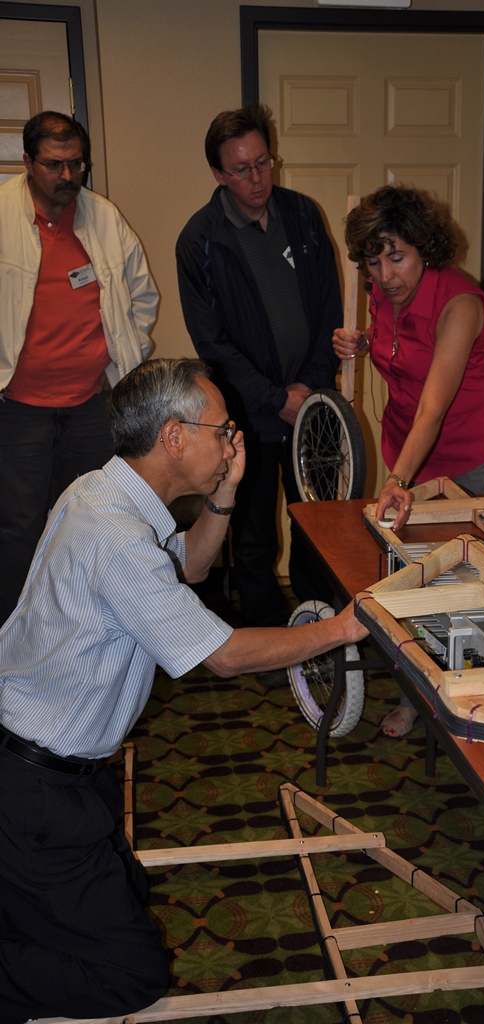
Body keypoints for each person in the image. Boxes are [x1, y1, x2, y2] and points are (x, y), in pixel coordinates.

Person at [0, 357, 366, 1024]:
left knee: (125, 893)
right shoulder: (115, 536)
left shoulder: (101, 495)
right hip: (33, 791)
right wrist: (342, 630)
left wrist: (224, 494)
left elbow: (189, 565)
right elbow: (223, 657)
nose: (233, 441)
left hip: (57, 775)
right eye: (222, 431)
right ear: (173, 436)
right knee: (128, 976)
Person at [333, 185, 484, 737]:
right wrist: (361, 345)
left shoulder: (459, 301)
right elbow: (397, 352)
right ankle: (416, 695)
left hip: (473, 455)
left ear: (425, 249)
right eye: (374, 259)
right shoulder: (378, 294)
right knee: (413, 583)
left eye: (398, 256)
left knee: (477, 582)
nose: (387, 274)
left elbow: (435, 406)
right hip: (407, 449)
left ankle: (482, 700)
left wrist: (396, 478)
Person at [176, 103, 341, 649]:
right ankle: (268, 640)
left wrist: (309, 390)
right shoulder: (199, 240)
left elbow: (328, 309)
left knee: (319, 522)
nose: (257, 179)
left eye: (264, 162)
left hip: (313, 406)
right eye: (242, 169)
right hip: (247, 413)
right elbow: (213, 345)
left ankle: (322, 629)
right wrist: (275, 399)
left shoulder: (304, 215)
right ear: (219, 175)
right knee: (251, 535)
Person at [0, 110, 158, 625]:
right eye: (54, 165)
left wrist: (121, 358)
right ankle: (16, 637)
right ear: (27, 162)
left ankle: (77, 628)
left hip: (93, 405)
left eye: (76, 164)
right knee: (18, 528)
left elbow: (142, 295)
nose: (68, 177)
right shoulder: (2, 214)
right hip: (19, 409)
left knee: (87, 522)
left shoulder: (103, 217)